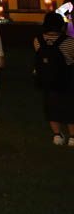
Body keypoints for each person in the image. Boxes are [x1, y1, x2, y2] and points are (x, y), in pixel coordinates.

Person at [33, 12, 74, 146]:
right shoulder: (68, 42)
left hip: (47, 79)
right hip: (67, 79)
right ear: (61, 25)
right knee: (70, 107)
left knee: (51, 107)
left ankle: (57, 135)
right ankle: (72, 137)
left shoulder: (38, 40)